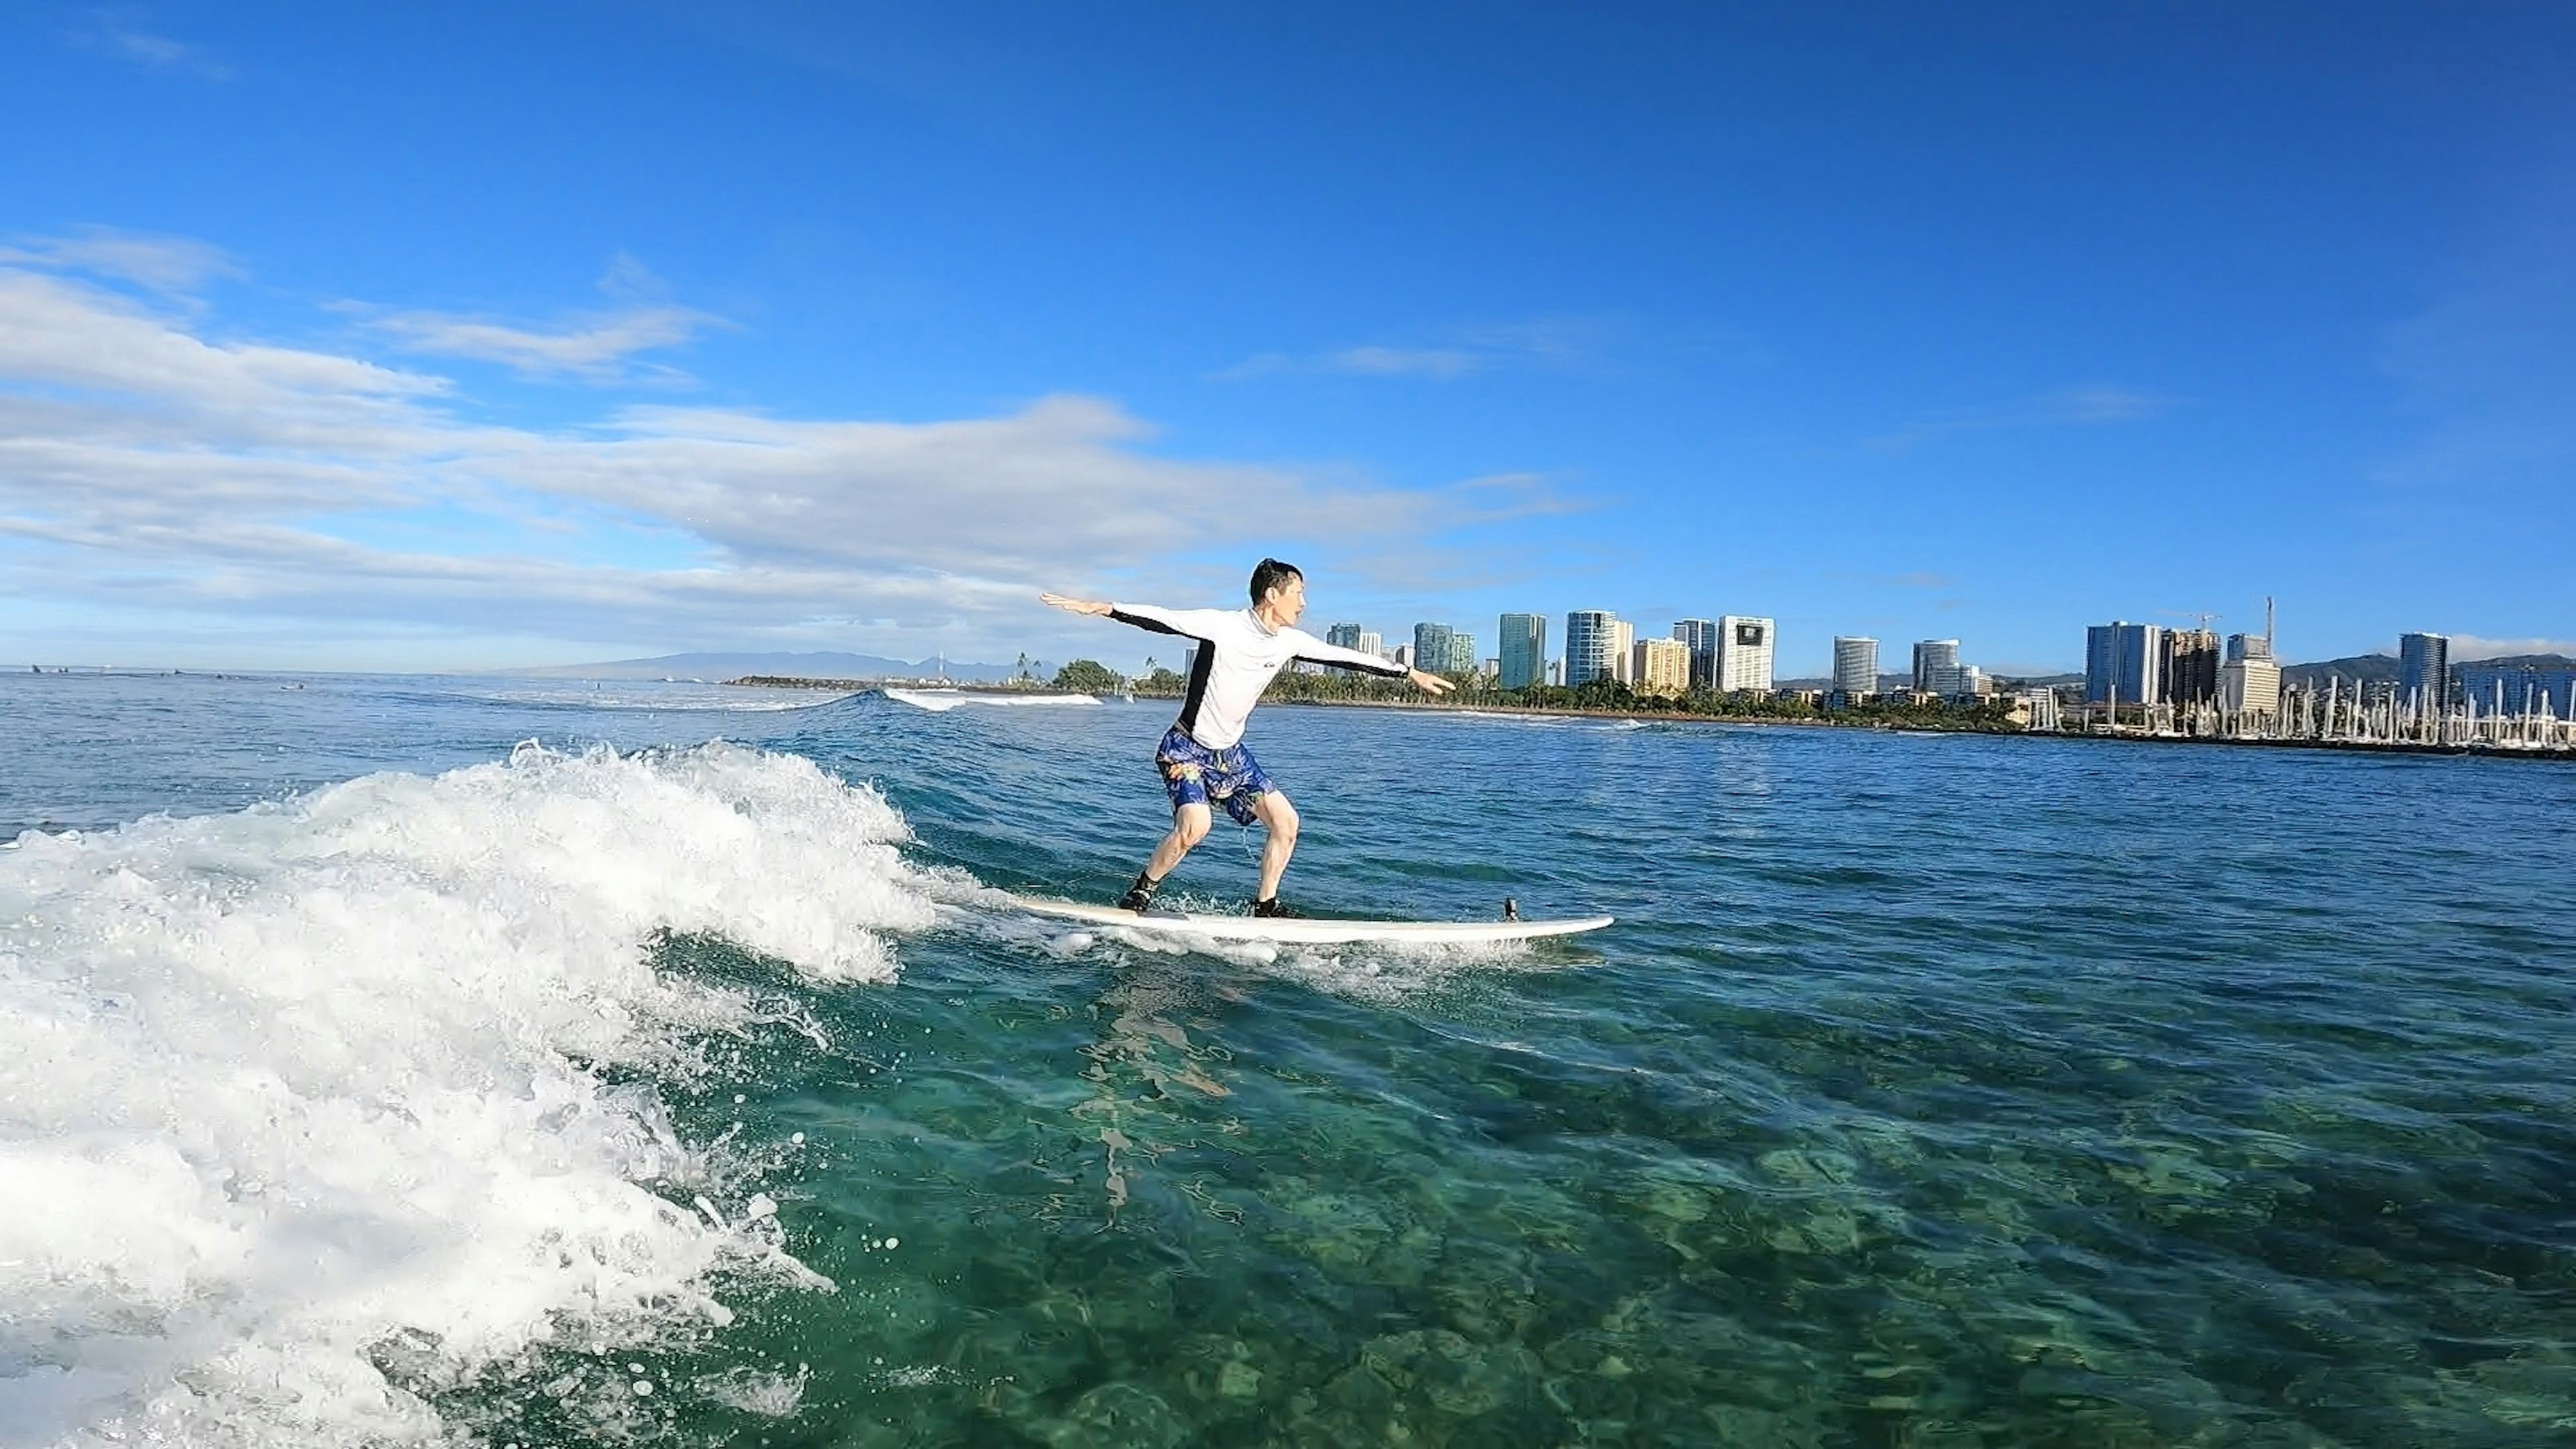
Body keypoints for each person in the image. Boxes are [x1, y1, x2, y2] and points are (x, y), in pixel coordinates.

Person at [1041, 559, 1454, 916]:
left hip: (1232, 757)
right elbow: (1164, 617)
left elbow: (1346, 657)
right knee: (1195, 827)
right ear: (1273, 595)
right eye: (1299, 593)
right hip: (1186, 749)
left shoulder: (1290, 641)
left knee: (1286, 822)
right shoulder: (1223, 626)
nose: (1304, 603)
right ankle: (1142, 890)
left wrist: (1407, 672)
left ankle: (1265, 906)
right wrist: (1107, 608)